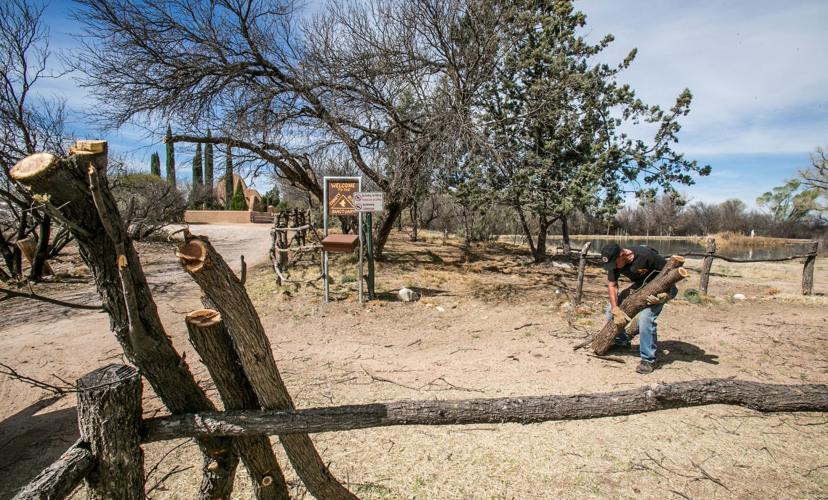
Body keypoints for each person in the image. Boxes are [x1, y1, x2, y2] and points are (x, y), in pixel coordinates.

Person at [601, 243, 677, 374]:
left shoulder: (647, 256)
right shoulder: (614, 262)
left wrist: (665, 296)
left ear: (622, 255)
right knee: (609, 310)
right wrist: (615, 308)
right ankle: (621, 340)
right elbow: (612, 285)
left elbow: (673, 276)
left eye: (615, 263)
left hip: (662, 289)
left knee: (645, 319)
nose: (613, 267)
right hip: (641, 285)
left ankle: (648, 360)